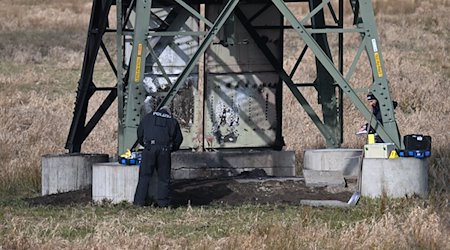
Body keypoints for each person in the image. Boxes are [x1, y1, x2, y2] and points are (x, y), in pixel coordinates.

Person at [134, 106, 183, 207]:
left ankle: (139, 202)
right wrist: (171, 148)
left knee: (144, 177)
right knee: (164, 178)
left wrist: (146, 145)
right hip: (164, 150)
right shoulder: (172, 121)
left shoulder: (148, 117)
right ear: (168, 113)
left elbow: (140, 134)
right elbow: (178, 139)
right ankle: (163, 203)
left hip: (149, 148)